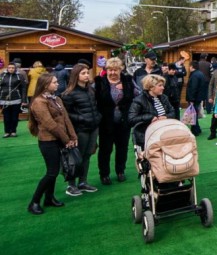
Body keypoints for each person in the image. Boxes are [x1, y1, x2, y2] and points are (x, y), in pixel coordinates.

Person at [27, 73, 77, 215]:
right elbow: (50, 124)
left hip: (59, 139)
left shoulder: (56, 99)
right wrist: (67, 140)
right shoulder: (39, 102)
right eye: (54, 82)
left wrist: (73, 136)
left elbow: (66, 119)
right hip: (48, 141)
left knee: (53, 172)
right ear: (45, 85)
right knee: (52, 172)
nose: (58, 84)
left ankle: (49, 198)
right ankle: (34, 202)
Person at [95, 57, 138, 185]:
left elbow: (139, 94)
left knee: (122, 148)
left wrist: (126, 89)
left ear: (120, 70)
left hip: (123, 122)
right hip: (105, 122)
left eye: (116, 70)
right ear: (106, 70)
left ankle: (120, 171)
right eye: (110, 70)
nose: (113, 72)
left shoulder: (128, 80)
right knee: (105, 149)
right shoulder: (99, 82)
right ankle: (104, 174)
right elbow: (93, 100)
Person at [61, 64, 101, 196]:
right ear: (76, 75)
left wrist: (97, 117)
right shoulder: (69, 93)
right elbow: (66, 114)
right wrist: (81, 118)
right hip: (80, 129)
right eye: (83, 73)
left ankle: (83, 182)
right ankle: (71, 185)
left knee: (87, 155)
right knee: (76, 157)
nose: (86, 75)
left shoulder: (90, 90)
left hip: (93, 127)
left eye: (87, 73)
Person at [128, 74, 175, 145]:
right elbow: (131, 119)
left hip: (164, 134)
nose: (163, 88)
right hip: (146, 135)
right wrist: (150, 117)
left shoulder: (164, 97)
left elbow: (172, 112)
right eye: (160, 85)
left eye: (163, 85)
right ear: (151, 87)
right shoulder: (139, 100)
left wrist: (166, 117)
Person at [0, 61, 27, 138]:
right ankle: (7, 132)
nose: (11, 69)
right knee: (6, 117)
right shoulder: (2, 75)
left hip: (16, 99)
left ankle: (13, 131)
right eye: (9, 68)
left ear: (15, 68)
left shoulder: (20, 76)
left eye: (12, 68)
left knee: (15, 117)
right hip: (4, 99)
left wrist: (24, 100)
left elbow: (23, 88)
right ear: (7, 68)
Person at [186, 61, 207, 136]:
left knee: (193, 114)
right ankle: (197, 129)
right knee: (195, 113)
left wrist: (191, 99)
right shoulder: (201, 74)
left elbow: (193, 88)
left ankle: (195, 130)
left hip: (194, 98)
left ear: (192, 66)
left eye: (189, 66)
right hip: (199, 97)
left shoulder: (194, 75)